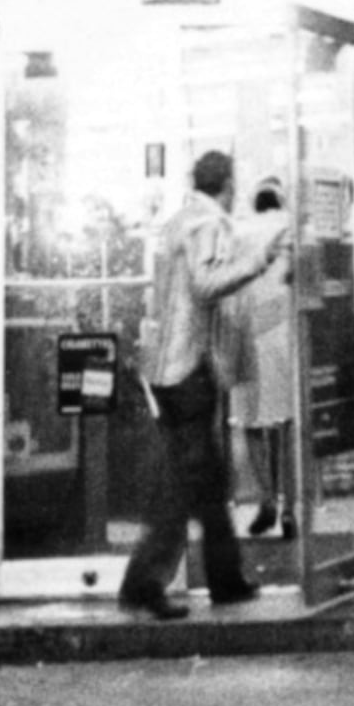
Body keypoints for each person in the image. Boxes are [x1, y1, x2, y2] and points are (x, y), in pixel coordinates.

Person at [119, 148, 284, 619]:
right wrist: (258, 261)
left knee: (209, 481)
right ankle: (144, 583)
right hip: (189, 368)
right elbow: (207, 284)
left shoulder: (179, 220)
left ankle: (226, 579)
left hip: (172, 367)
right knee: (187, 484)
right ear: (228, 184)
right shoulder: (206, 223)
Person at [235, 180, 298, 537]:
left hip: (251, 336)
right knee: (287, 425)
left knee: (252, 424)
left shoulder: (241, 231)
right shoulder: (291, 228)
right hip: (285, 337)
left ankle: (266, 500)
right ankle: (290, 506)